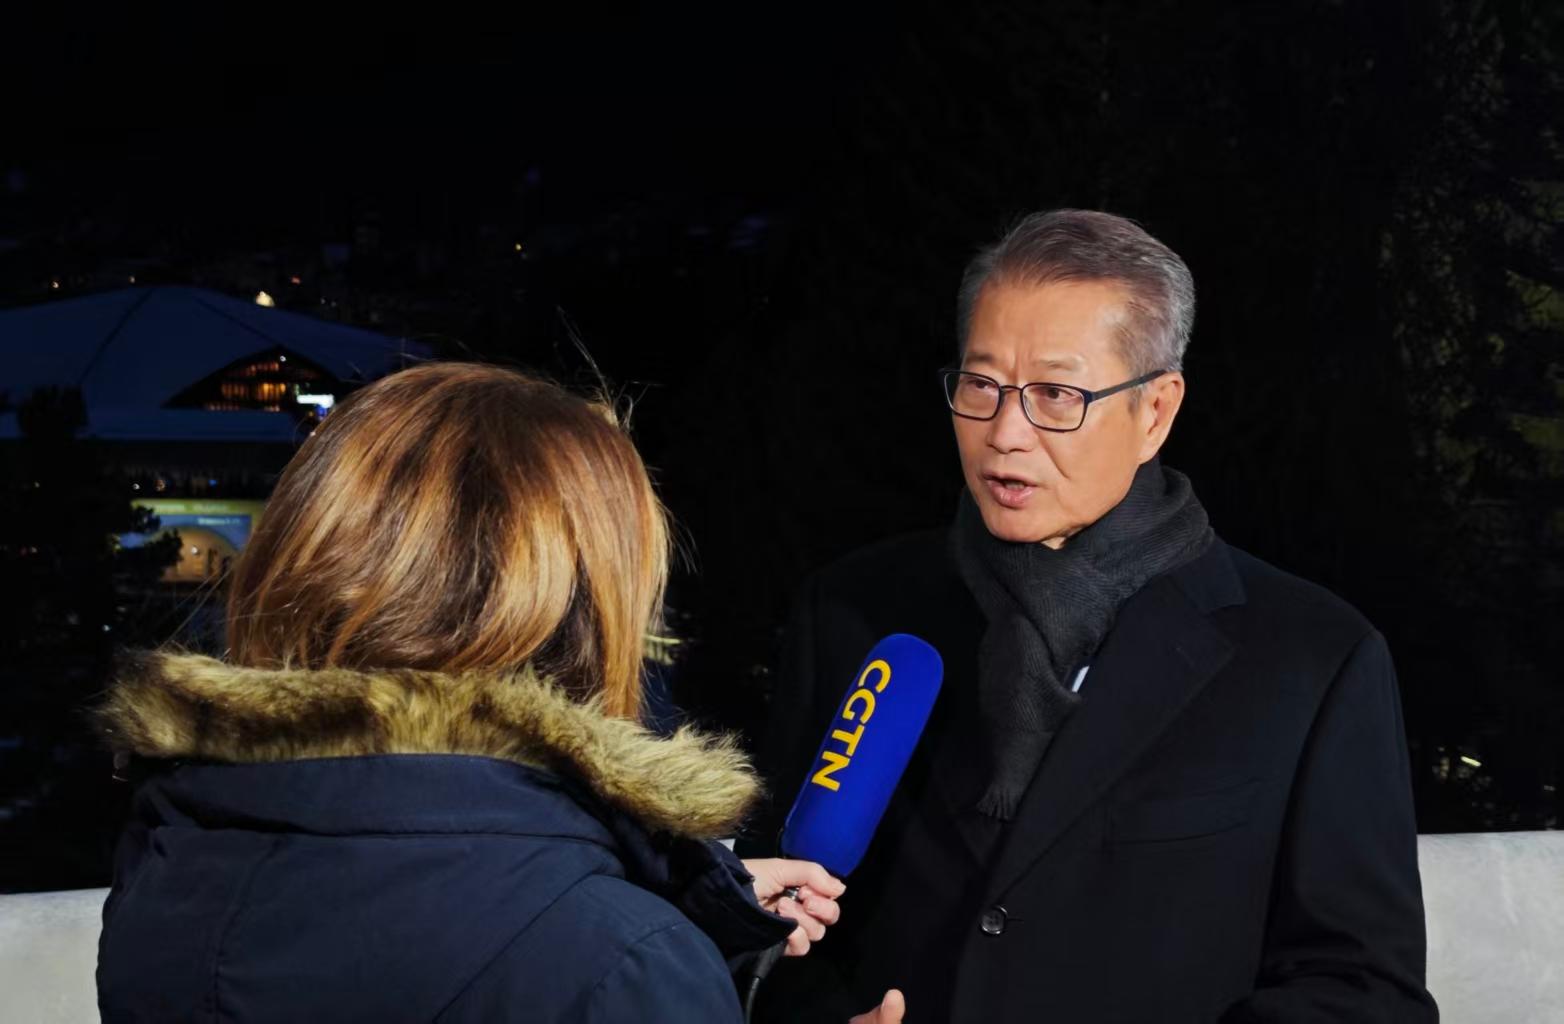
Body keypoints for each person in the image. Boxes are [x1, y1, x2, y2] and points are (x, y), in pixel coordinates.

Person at [750, 210, 1436, 1022]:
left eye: (1056, 395)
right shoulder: (853, 611)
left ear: (1155, 412)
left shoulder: (1311, 658)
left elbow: (1363, 991)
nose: (1007, 433)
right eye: (981, 386)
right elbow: (762, 915)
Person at [94, 362, 852, 1022]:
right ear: (580, 615)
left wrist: (676, 905)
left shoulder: (166, 866)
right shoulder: (617, 964)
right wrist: (649, 955)